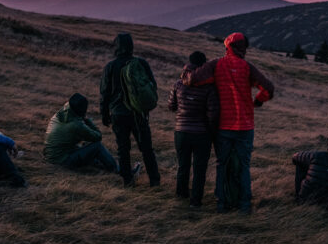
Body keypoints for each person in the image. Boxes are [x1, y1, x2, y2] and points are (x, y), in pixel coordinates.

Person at [182, 32, 274, 214]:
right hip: (246, 125)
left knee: (221, 164)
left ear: (228, 47)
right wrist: (258, 100)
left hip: (224, 126)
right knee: (244, 166)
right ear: (243, 48)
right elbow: (268, 88)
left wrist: (185, 72)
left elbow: (194, 79)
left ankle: (221, 204)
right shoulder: (248, 67)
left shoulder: (217, 64)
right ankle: (244, 205)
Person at [100, 33, 160, 187]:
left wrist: (105, 114)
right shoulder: (140, 63)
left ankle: (128, 181)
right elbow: (151, 85)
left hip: (118, 113)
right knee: (146, 148)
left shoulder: (111, 66)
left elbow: (105, 93)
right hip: (138, 113)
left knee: (123, 148)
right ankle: (154, 181)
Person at [168, 51, 219, 208]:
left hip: (181, 131)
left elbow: (171, 106)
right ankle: (195, 201)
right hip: (201, 134)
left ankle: (181, 195)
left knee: (183, 165)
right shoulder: (210, 86)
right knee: (200, 169)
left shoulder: (178, 83)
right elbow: (213, 114)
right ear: (204, 65)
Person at [44, 93, 139, 175]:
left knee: (87, 147)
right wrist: (88, 121)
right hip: (62, 161)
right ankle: (120, 171)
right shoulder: (76, 125)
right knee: (97, 147)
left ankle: (105, 164)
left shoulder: (61, 113)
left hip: (51, 155)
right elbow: (98, 136)